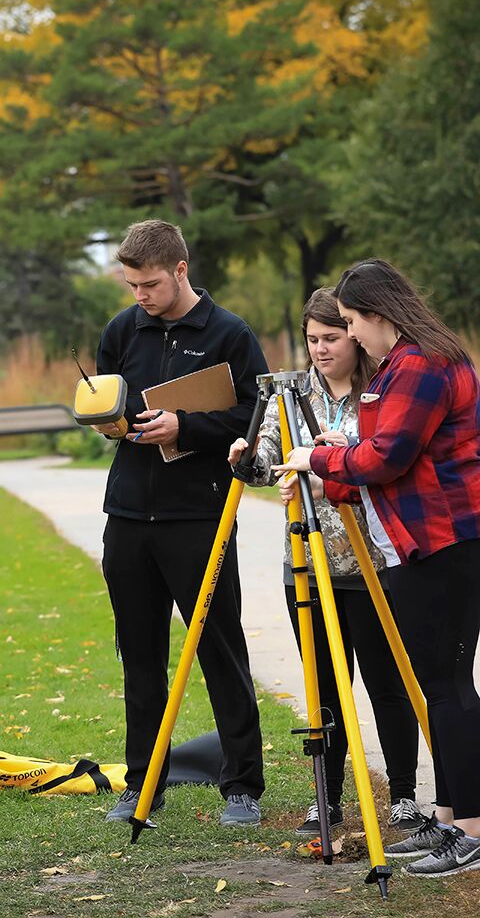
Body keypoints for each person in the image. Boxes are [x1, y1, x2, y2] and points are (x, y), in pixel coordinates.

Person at [274, 259, 480, 878]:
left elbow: (387, 455)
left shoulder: (421, 364)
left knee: (446, 687)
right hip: (421, 540)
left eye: (354, 323)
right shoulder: (407, 363)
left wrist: (316, 458)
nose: (352, 336)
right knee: (438, 685)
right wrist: (329, 475)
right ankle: (447, 820)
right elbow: (385, 465)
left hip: (444, 542)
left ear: (380, 315)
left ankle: (469, 828)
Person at [228, 288, 423, 835]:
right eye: (312, 339)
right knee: (325, 687)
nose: (320, 349)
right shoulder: (294, 394)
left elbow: (389, 460)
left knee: (387, 683)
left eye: (332, 337)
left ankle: (404, 795)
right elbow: (270, 454)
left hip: (374, 562)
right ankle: (327, 797)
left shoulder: (381, 388)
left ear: (354, 334)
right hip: (310, 563)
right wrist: (251, 458)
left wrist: (333, 460)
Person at [94, 219, 267, 827]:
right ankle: (142, 786)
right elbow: (109, 402)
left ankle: (242, 785)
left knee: (221, 647)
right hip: (128, 516)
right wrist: (109, 422)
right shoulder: (120, 331)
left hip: (200, 515)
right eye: (132, 284)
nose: (140, 295)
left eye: (151, 284)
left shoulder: (230, 334)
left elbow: (257, 416)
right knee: (138, 655)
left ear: (181, 271)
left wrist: (186, 429)